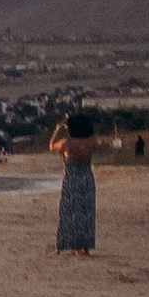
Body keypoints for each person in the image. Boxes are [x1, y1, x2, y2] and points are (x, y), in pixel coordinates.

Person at [49, 108, 99, 255]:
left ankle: (76, 246)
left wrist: (58, 129)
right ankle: (85, 246)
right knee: (87, 212)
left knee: (72, 213)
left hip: (73, 179)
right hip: (87, 178)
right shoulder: (91, 142)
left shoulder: (67, 143)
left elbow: (52, 146)